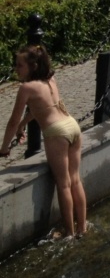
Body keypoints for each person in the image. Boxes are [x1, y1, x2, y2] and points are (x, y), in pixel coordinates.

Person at [1, 45, 87, 239]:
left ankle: (69, 234)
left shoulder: (26, 88)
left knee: (63, 184)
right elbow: (42, 107)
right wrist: (24, 124)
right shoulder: (50, 80)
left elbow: (12, 121)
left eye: (20, 65)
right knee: (75, 180)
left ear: (33, 66)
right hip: (72, 126)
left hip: (56, 133)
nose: (16, 69)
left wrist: (4, 147)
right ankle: (82, 227)